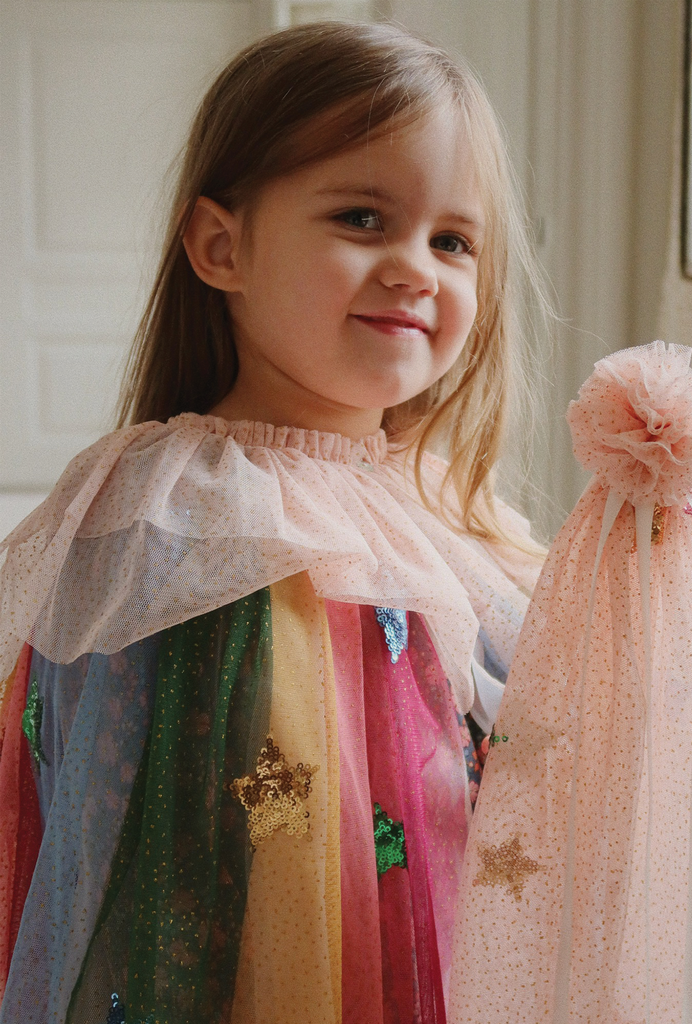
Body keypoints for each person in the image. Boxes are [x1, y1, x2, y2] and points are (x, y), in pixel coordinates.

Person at [0, 21, 548, 1024]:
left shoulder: (445, 516)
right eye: (361, 217)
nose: (416, 267)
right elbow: (121, 790)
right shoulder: (176, 504)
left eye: (452, 240)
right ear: (222, 246)